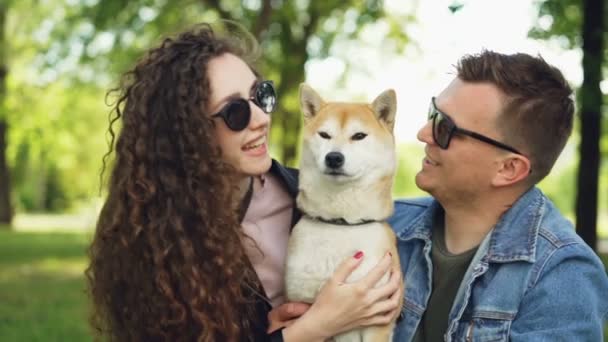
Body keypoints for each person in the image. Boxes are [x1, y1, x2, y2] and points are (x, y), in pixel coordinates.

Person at [86, 22, 402, 341]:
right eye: (235, 112)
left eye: (260, 96)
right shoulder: (159, 240)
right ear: (187, 133)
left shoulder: (311, 198)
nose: (262, 118)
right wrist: (308, 329)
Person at [388, 50, 608, 341]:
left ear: (508, 168)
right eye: (432, 114)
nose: (423, 134)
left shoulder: (561, 274)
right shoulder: (387, 225)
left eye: (445, 127)